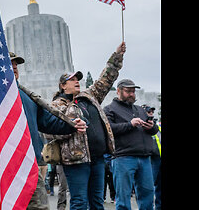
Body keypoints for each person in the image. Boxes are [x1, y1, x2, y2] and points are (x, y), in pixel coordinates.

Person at [0, 52, 87, 210]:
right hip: (2, 170)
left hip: (30, 169)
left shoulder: (27, 96)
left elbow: (48, 122)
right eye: (10, 64)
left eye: (16, 65)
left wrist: (71, 125)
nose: (15, 68)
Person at [46, 42, 126, 210]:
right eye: (72, 79)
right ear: (63, 85)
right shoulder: (56, 105)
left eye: (78, 79)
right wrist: (72, 125)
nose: (77, 82)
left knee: (97, 202)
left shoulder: (89, 96)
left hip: (98, 159)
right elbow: (50, 132)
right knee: (79, 202)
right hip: (76, 162)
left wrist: (117, 56)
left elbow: (106, 78)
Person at [103, 80, 159, 210]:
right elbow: (108, 130)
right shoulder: (109, 109)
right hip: (123, 158)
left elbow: (154, 130)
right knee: (123, 199)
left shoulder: (140, 109)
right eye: (128, 91)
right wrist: (130, 124)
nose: (131, 94)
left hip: (145, 158)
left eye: (133, 91)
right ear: (118, 91)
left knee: (148, 196)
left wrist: (151, 126)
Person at [142, 105, 161, 210]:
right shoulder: (143, 126)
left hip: (159, 158)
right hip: (150, 159)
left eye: (152, 112)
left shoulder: (157, 125)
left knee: (159, 186)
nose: (151, 114)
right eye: (149, 112)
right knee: (148, 186)